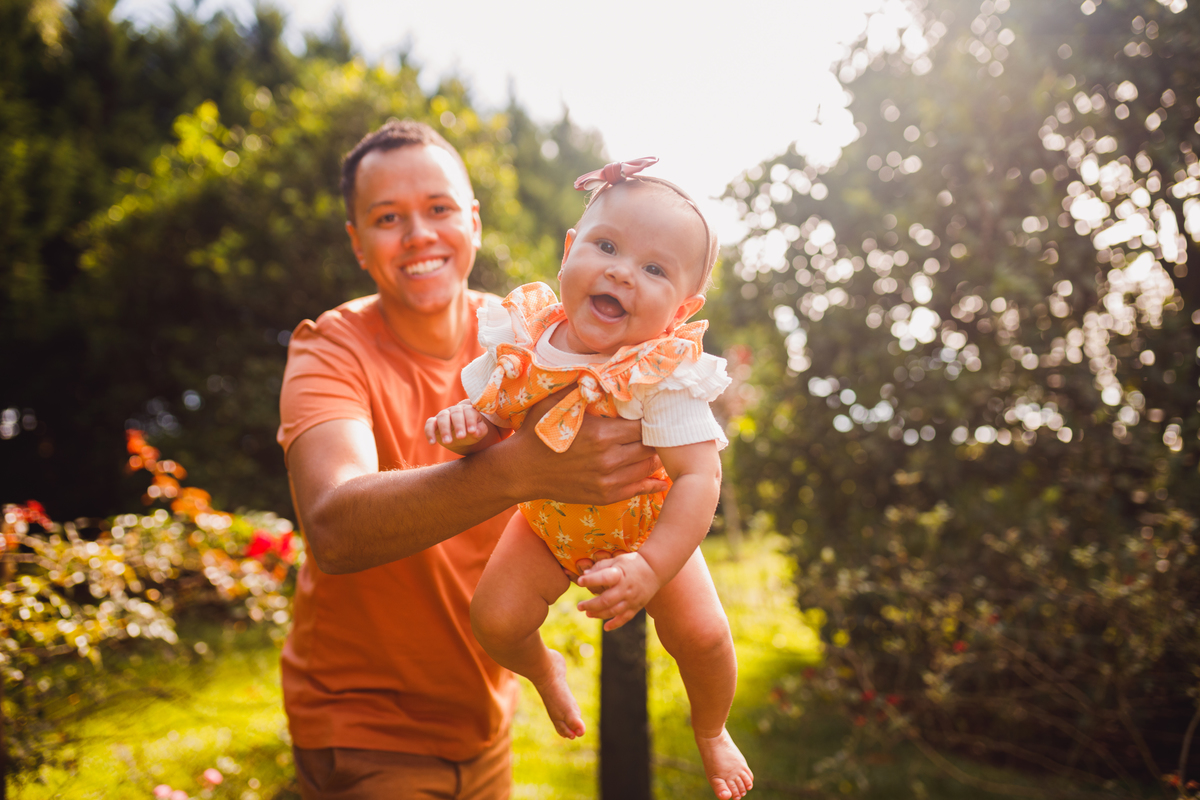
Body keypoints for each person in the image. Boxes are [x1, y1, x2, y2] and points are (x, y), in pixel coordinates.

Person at [277, 121, 668, 800]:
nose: (418, 235)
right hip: (363, 728)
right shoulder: (331, 348)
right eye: (387, 218)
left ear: (474, 223)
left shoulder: (530, 337)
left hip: (486, 724)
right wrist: (525, 468)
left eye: (439, 208)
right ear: (358, 243)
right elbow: (332, 528)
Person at [424, 158, 755, 800]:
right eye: (606, 247)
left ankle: (712, 729)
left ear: (682, 309)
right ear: (569, 250)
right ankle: (543, 670)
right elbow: (493, 422)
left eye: (655, 270)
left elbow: (699, 477)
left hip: (646, 529)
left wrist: (653, 566)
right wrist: (468, 426)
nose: (622, 272)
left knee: (703, 636)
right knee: (494, 620)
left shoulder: (658, 372)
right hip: (546, 524)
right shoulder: (523, 341)